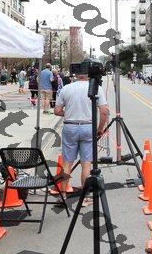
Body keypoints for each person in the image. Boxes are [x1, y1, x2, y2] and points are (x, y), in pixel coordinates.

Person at [54, 60, 109, 207]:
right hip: (88, 127)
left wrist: (69, 113)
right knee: (86, 164)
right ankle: (84, 198)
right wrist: (100, 129)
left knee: (67, 162)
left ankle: (63, 195)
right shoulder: (96, 88)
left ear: (76, 74)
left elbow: (57, 111)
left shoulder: (66, 88)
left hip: (70, 127)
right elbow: (104, 112)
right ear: (89, 74)